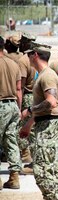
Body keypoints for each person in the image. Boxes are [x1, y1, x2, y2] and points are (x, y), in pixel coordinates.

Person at [19, 42, 58, 200]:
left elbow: (51, 102)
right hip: (45, 123)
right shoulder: (44, 75)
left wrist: (29, 111)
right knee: (52, 166)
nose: (26, 58)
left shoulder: (47, 76)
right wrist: (29, 125)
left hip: (48, 126)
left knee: (41, 167)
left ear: (35, 55)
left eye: (28, 54)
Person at [0, 36, 22, 190]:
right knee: (11, 141)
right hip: (12, 105)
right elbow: (19, 89)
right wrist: (19, 109)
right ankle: (14, 177)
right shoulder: (14, 64)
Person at [17, 32, 38, 172]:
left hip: (28, 96)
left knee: (26, 128)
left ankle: (27, 156)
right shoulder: (37, 57)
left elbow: (21, 85)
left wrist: (19, 106)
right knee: (34, 128)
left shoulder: (24, 60)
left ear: (24, 43)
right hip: (37, 96)